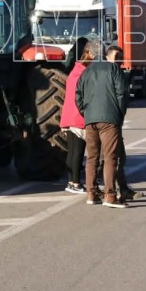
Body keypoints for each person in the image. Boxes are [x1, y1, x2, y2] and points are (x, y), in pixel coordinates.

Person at [77, 45, 129, 208]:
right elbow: (122, 93)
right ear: (106, 53)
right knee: (110, 157)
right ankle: (110, 196)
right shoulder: (114, 69)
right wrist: (120, 114)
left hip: (90, 119)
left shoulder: (86, 71)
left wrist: (85, 112)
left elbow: (78, 95)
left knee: (92, 157)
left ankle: (91, 194)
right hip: (109, 118)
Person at [61, 38, 92, 195]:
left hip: (69, 115)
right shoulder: (83, 73)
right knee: (78, 151)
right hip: (78, 116)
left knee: (72, 150)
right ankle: (75, 182)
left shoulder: (75, 70)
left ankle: (71, 181)